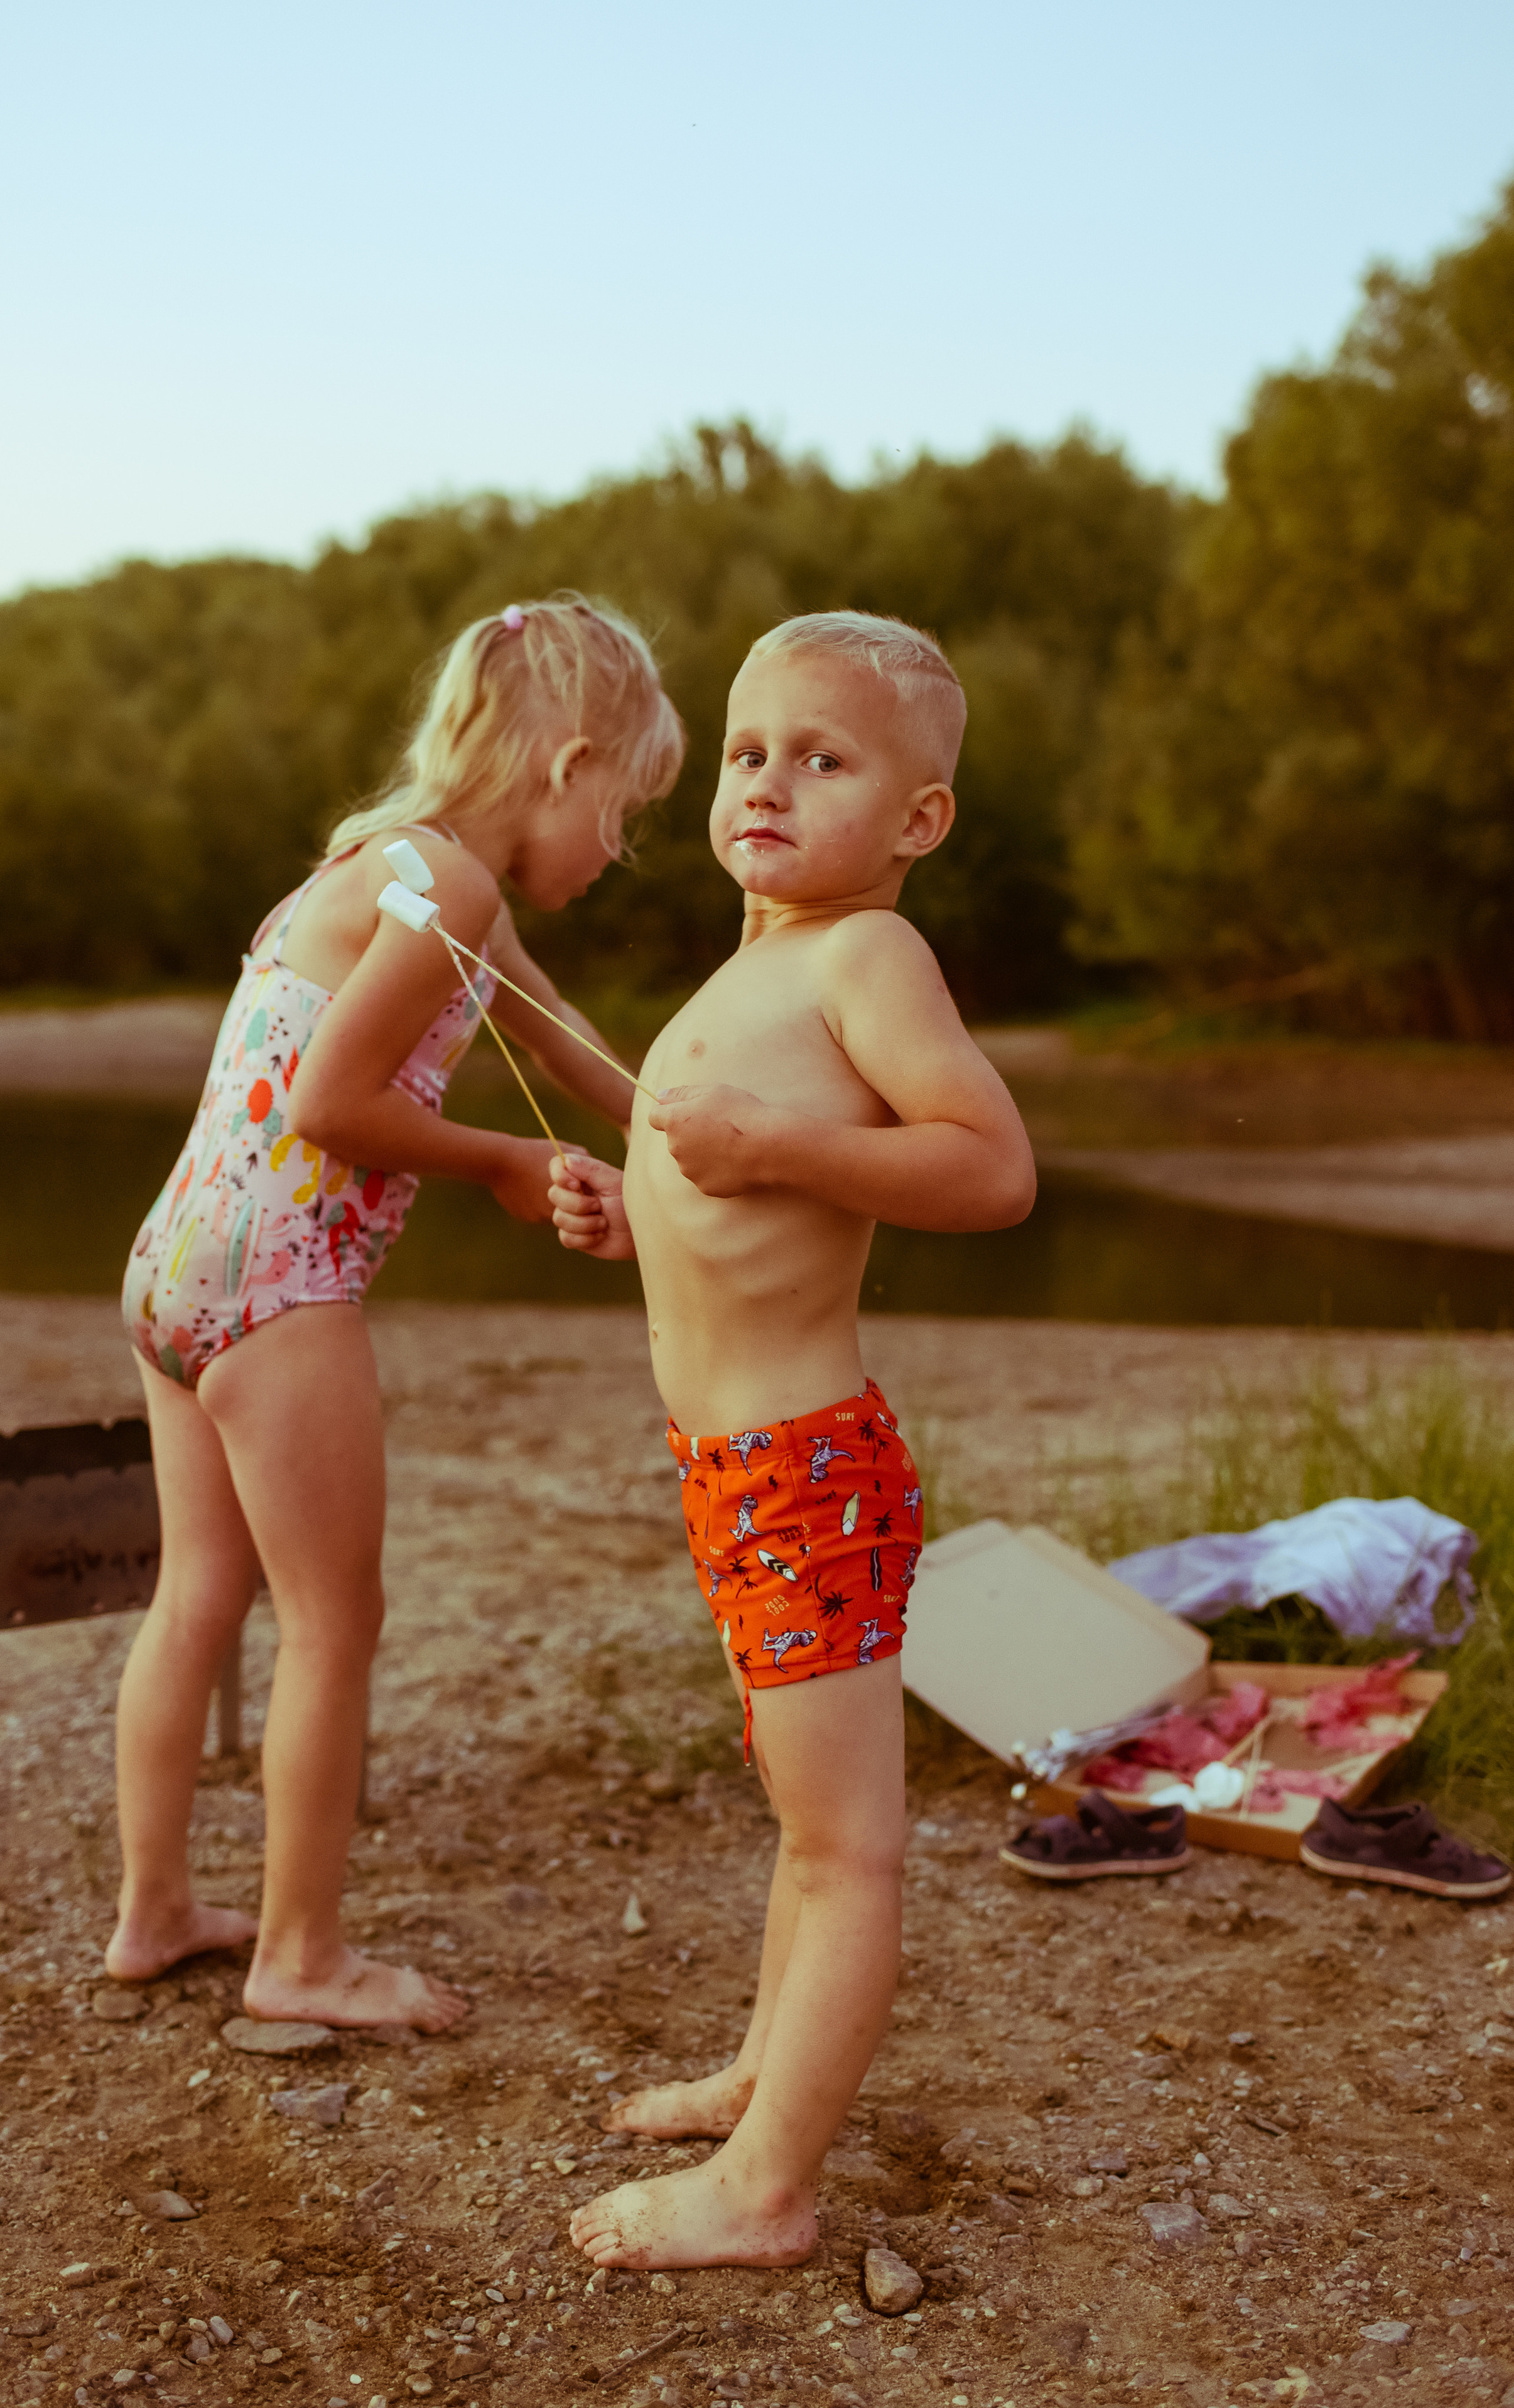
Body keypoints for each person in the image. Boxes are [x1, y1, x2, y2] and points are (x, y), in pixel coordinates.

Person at [110, 595, 683, 2032]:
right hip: (280, 1284)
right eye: (627, 809)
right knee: (333, 1621)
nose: (621, 849)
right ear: (564, 767)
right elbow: (329, 1106)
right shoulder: (454, 890)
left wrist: (672, 1132)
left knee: (199, 1597)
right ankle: (301, 1961)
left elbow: (551, 1033)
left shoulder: (387, 868)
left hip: (176, 1269)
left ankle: (156, 1910)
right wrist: (505, 1163)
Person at [549, 610, 1035, 2265]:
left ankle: (768, 2192)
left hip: (802, 1469)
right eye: (751, 750)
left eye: (821, 759)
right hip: (736, 1472)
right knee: (800, 1815)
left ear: (917, 819)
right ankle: (766, 2071)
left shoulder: (864, 957)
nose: (766, 782)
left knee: (847, 1848)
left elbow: (991, 1168)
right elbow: (742, 1197)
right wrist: (643, 1203)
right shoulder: (756, 968)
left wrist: (762, 1141)